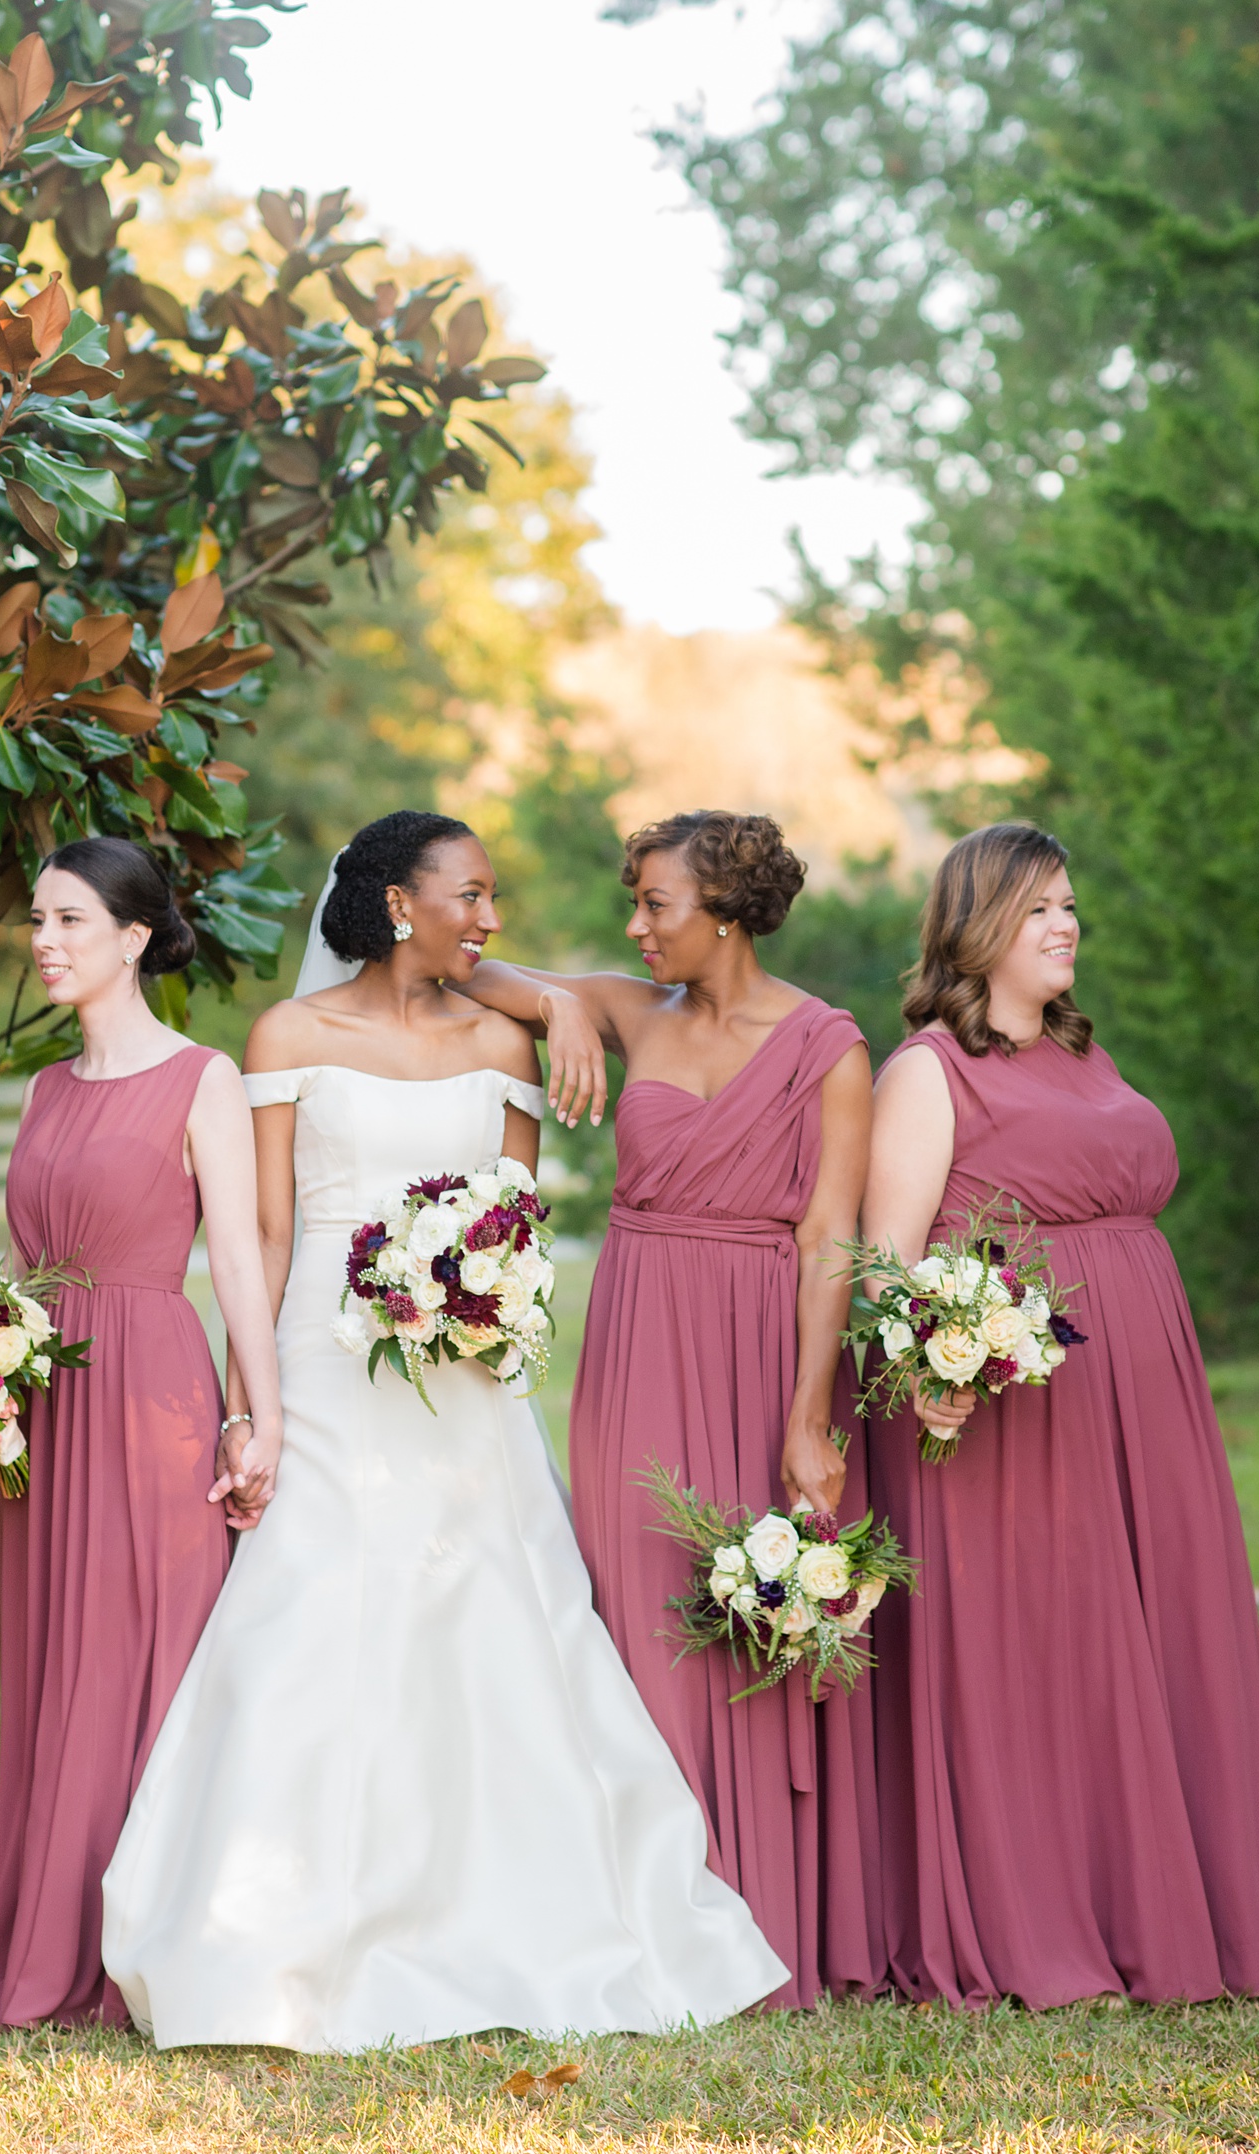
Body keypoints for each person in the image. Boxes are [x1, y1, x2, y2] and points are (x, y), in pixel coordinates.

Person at [101, 811, 787, 2050]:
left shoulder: (502, 1039)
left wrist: (482, 1314)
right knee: (306, 1618)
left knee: (497, 1615)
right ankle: (276, 1931)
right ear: (397, 902)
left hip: (465, 1379)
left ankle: (518, 1909)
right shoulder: (290, 1034)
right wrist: (250, 1400)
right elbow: (257, 1236)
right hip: (322, 1361)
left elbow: (512, 1226)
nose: (490, 916)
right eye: (468, 892)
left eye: (494, 894)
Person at [862, 821, 1259, 2006]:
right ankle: (1050, 1915)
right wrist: (935, 1356)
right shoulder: (925, 1069)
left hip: (1141, 1382)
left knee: (1159, 1619)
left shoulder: (1081, 1049)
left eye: (1069, 905)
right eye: (1038, 908)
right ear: (978, 927)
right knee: (1046, 1643)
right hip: (1020, 1401)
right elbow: (881, 1263)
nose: (1065, 925)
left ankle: (1175, 1899)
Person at [456, 809, 880, 2007]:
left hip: (757, 1337)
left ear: (729, 913)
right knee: (636, 1605)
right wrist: (561, 1002)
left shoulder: (827, 1046)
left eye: (657, 905)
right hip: (637, 1336)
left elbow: (828, 1237)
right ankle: (647, 1912)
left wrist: (807, 1416)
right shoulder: (634, 1011)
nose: (635, 926)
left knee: (748, 1610)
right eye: (632, 903)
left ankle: (764, 1910)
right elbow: (462, 963)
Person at [0, 837, 282, 2030]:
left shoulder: (201, 1076)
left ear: (134, 938)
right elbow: (15, 1263)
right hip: (42, 1403)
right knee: (57, 1653)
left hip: (151, 1390)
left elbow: (241, 1264)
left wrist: (257, 1414)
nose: (43, 940)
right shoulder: (45, 1087)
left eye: (67, 921)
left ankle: (147, 1932)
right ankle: (49, 1922)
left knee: (140, 1650)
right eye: (37, 920)